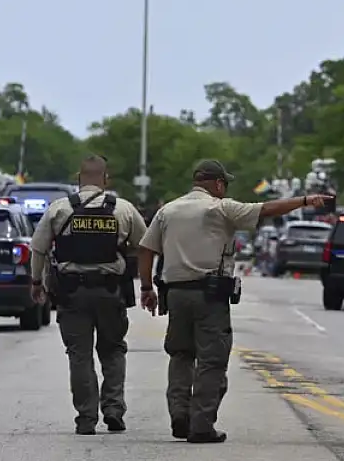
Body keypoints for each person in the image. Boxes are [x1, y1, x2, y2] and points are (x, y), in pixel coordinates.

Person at [136, 159, 330, 444]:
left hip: (175, 294)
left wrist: (146, 287)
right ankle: (200, 424)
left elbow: (145, 249)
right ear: (218, 184)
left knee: (181, 355)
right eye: (224, 185)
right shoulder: (220, 207)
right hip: (210, 294)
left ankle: (180, 414)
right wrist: (303, 200)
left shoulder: (168, 210)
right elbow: (266, 209)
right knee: (212, 361)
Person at [29, 155, 147, 435]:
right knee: (113, 350)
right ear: (106, 179)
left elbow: (39, 249)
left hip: (72, 292)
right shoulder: (123, 209)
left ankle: (86, 417)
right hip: (110, 291)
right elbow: (145, 244)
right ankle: (113, 409)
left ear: (78, 178)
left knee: (79, 355)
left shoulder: (59, 209)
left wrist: (37, 282)